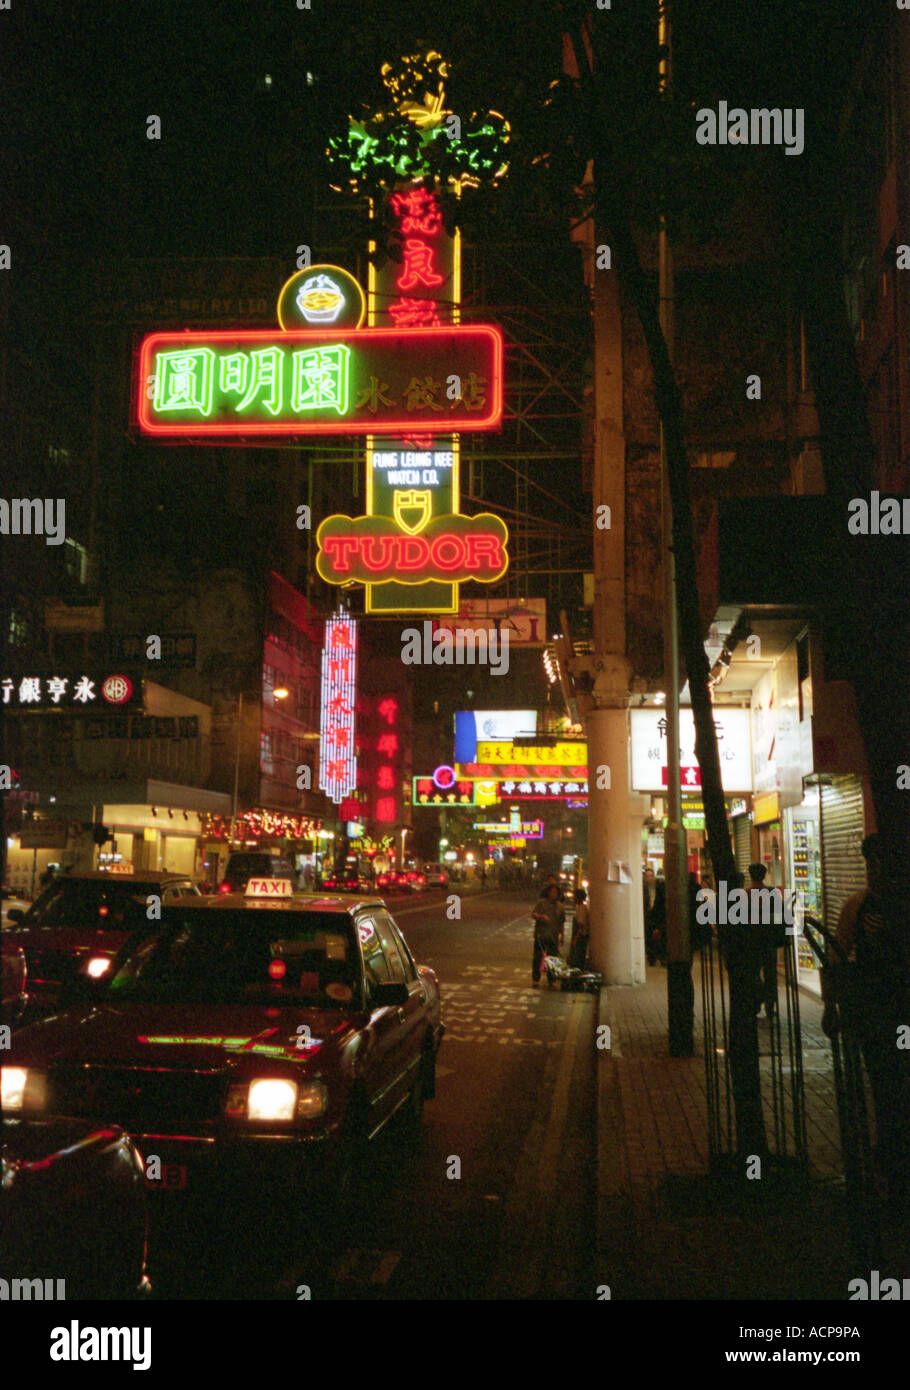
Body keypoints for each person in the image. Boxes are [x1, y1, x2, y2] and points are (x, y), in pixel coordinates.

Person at [821, 833, 910, 1211]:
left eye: (880, 863)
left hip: (890, 1014)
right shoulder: (858, 905)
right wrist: (830, 1003)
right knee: (887, 1093)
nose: (875, 870)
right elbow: (837, 955)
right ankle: (893, 1170)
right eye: (870, 863)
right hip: (877, 1018)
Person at [748, 862, 787, 1019]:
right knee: (771, 974)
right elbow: (780, 916)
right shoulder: (772, 893)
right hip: (769, 940)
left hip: (752, 941)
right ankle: (770, 1006)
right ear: (764, 875)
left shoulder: (745, 894)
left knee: (754, 974)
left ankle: (756, 1004)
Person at [531, 883, 565, 985]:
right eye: (552, 892)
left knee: (552, 958)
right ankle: (536, 979)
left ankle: (551, 979)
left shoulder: (560, 907)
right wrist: (541, 917)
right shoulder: (541, 903)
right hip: (541, 934)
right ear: (548, 893)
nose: (554, 894)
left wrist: (562, 935)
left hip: (553, 936)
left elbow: (561, 922)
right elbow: (533, 914)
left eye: (556, 892)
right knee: (538, 957)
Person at [644, 867, 666, 966]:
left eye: (651, 876)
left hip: (657, 915)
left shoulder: (659, 887)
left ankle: (661, 957)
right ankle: (651, 957)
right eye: (647, 876)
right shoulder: (643, 889)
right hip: (648, 916)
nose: (649, 878)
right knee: (649, 938)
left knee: (660, 937)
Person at [568, 888, 590, 969]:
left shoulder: (582, 909)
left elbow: (581, 925)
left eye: (574, 897)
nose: (573, 898)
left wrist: (576, 939)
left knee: (577, 959)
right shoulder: (579, 908)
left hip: (580, 938)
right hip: (579, 937)